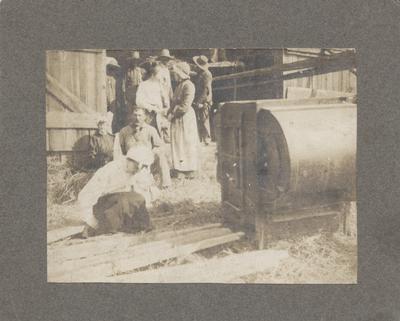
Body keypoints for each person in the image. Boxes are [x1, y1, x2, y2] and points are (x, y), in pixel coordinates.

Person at [78, 145, 156, 237]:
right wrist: (90, 220)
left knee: (137, 198)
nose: (138, 170)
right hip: (102, 206)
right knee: (121, 199)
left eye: (141, 168)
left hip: (119, 205)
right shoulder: (110, 170)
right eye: (137, 167)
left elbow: (143, 191)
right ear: (129, 160)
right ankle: (109, 228)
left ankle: (137, 226)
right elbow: (85, 196)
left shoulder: (135, 171)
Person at [119, 107, 172, 188]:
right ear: (131, 116)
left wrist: (153, 151)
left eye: (140, 115)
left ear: (144, 117)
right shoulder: (124, 131)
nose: (137, 118)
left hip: (147, 162)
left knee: (160, 156)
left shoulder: (150, 130)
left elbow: (160, 146)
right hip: (131, 163)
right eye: (135, 115)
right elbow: (121, 150)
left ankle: (165, 184)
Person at [169, 61, 199, 179]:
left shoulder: (189, 85)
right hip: (177, 118)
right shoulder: (179, 86)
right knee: (178, 142)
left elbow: (185, 105)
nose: (174, 75)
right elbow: (174, 102)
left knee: (187, 142)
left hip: (185, 117)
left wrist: (174, 114)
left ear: (181, 73)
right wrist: (168, 112)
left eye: (175, 73)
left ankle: (190, 169)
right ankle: (180, 169)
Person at [135, 62, 170, 142]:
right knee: (147, 137)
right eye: (160, 74)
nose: (162, 77)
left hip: (158, 115)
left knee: (158, 137)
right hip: (148, 115)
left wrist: (166, 106)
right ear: (154, 74)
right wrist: (151, 107)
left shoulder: (160, 85)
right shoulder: (143, 85)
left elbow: (165, 99)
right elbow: (138, 101)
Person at [192, 55, 213, 145]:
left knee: (204, 119)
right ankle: (202, 138)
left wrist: (200, 101)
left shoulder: (207, 74)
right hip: (200, 98)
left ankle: (207, 139)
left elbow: (206, 89)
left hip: (204, 99)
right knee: (200, 118)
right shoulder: (200, 73)